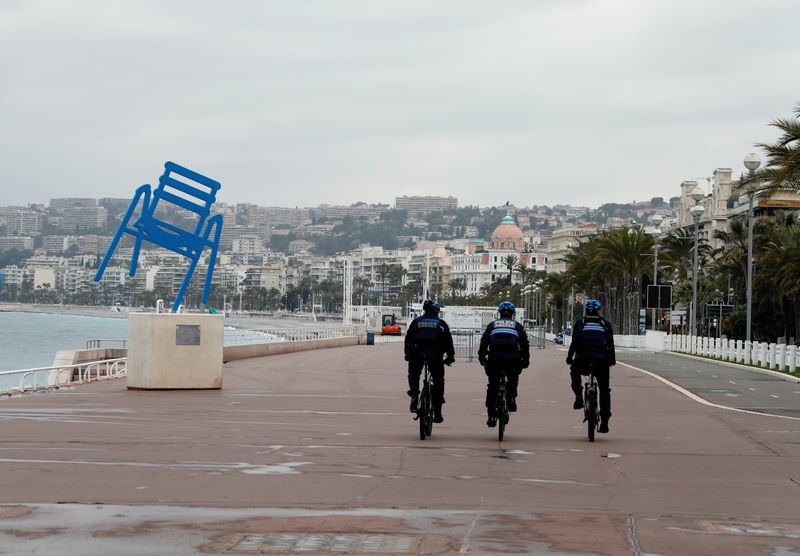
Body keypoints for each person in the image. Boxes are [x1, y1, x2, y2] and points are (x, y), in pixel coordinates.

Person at [566, 299, 616, 433]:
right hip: (601, 361)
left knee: (574, 371)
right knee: (604, 390)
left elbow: (574, 343)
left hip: (583, 359)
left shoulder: (580, 323)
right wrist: (612, 361)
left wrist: (569, 358)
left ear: (586, 311)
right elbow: (610, 345)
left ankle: (578, 396)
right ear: (599, 311)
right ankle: (604, 421)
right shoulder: (605, 324)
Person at [478, 301, 530, 427]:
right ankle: (511, 397)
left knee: (492, 386)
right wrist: (525, 360)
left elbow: (484, 342)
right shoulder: (517, 326)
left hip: (494, 359)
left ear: (499, 314)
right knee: (513, 377)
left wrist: (482, 358)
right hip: (512, 359)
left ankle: (491, 417)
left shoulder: (492, 325)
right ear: (512, 314)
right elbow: (524, 345)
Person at [404, 300, 455, 423]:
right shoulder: (441, 324)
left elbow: (408, 340)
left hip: (417, 354)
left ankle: (415, 394)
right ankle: (437, 413)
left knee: (413, 374)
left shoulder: (416, 322)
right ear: (436, 312)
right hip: (435, 356)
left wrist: (408, 355)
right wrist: (450, 357)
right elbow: (448, 342)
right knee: (438, 381)